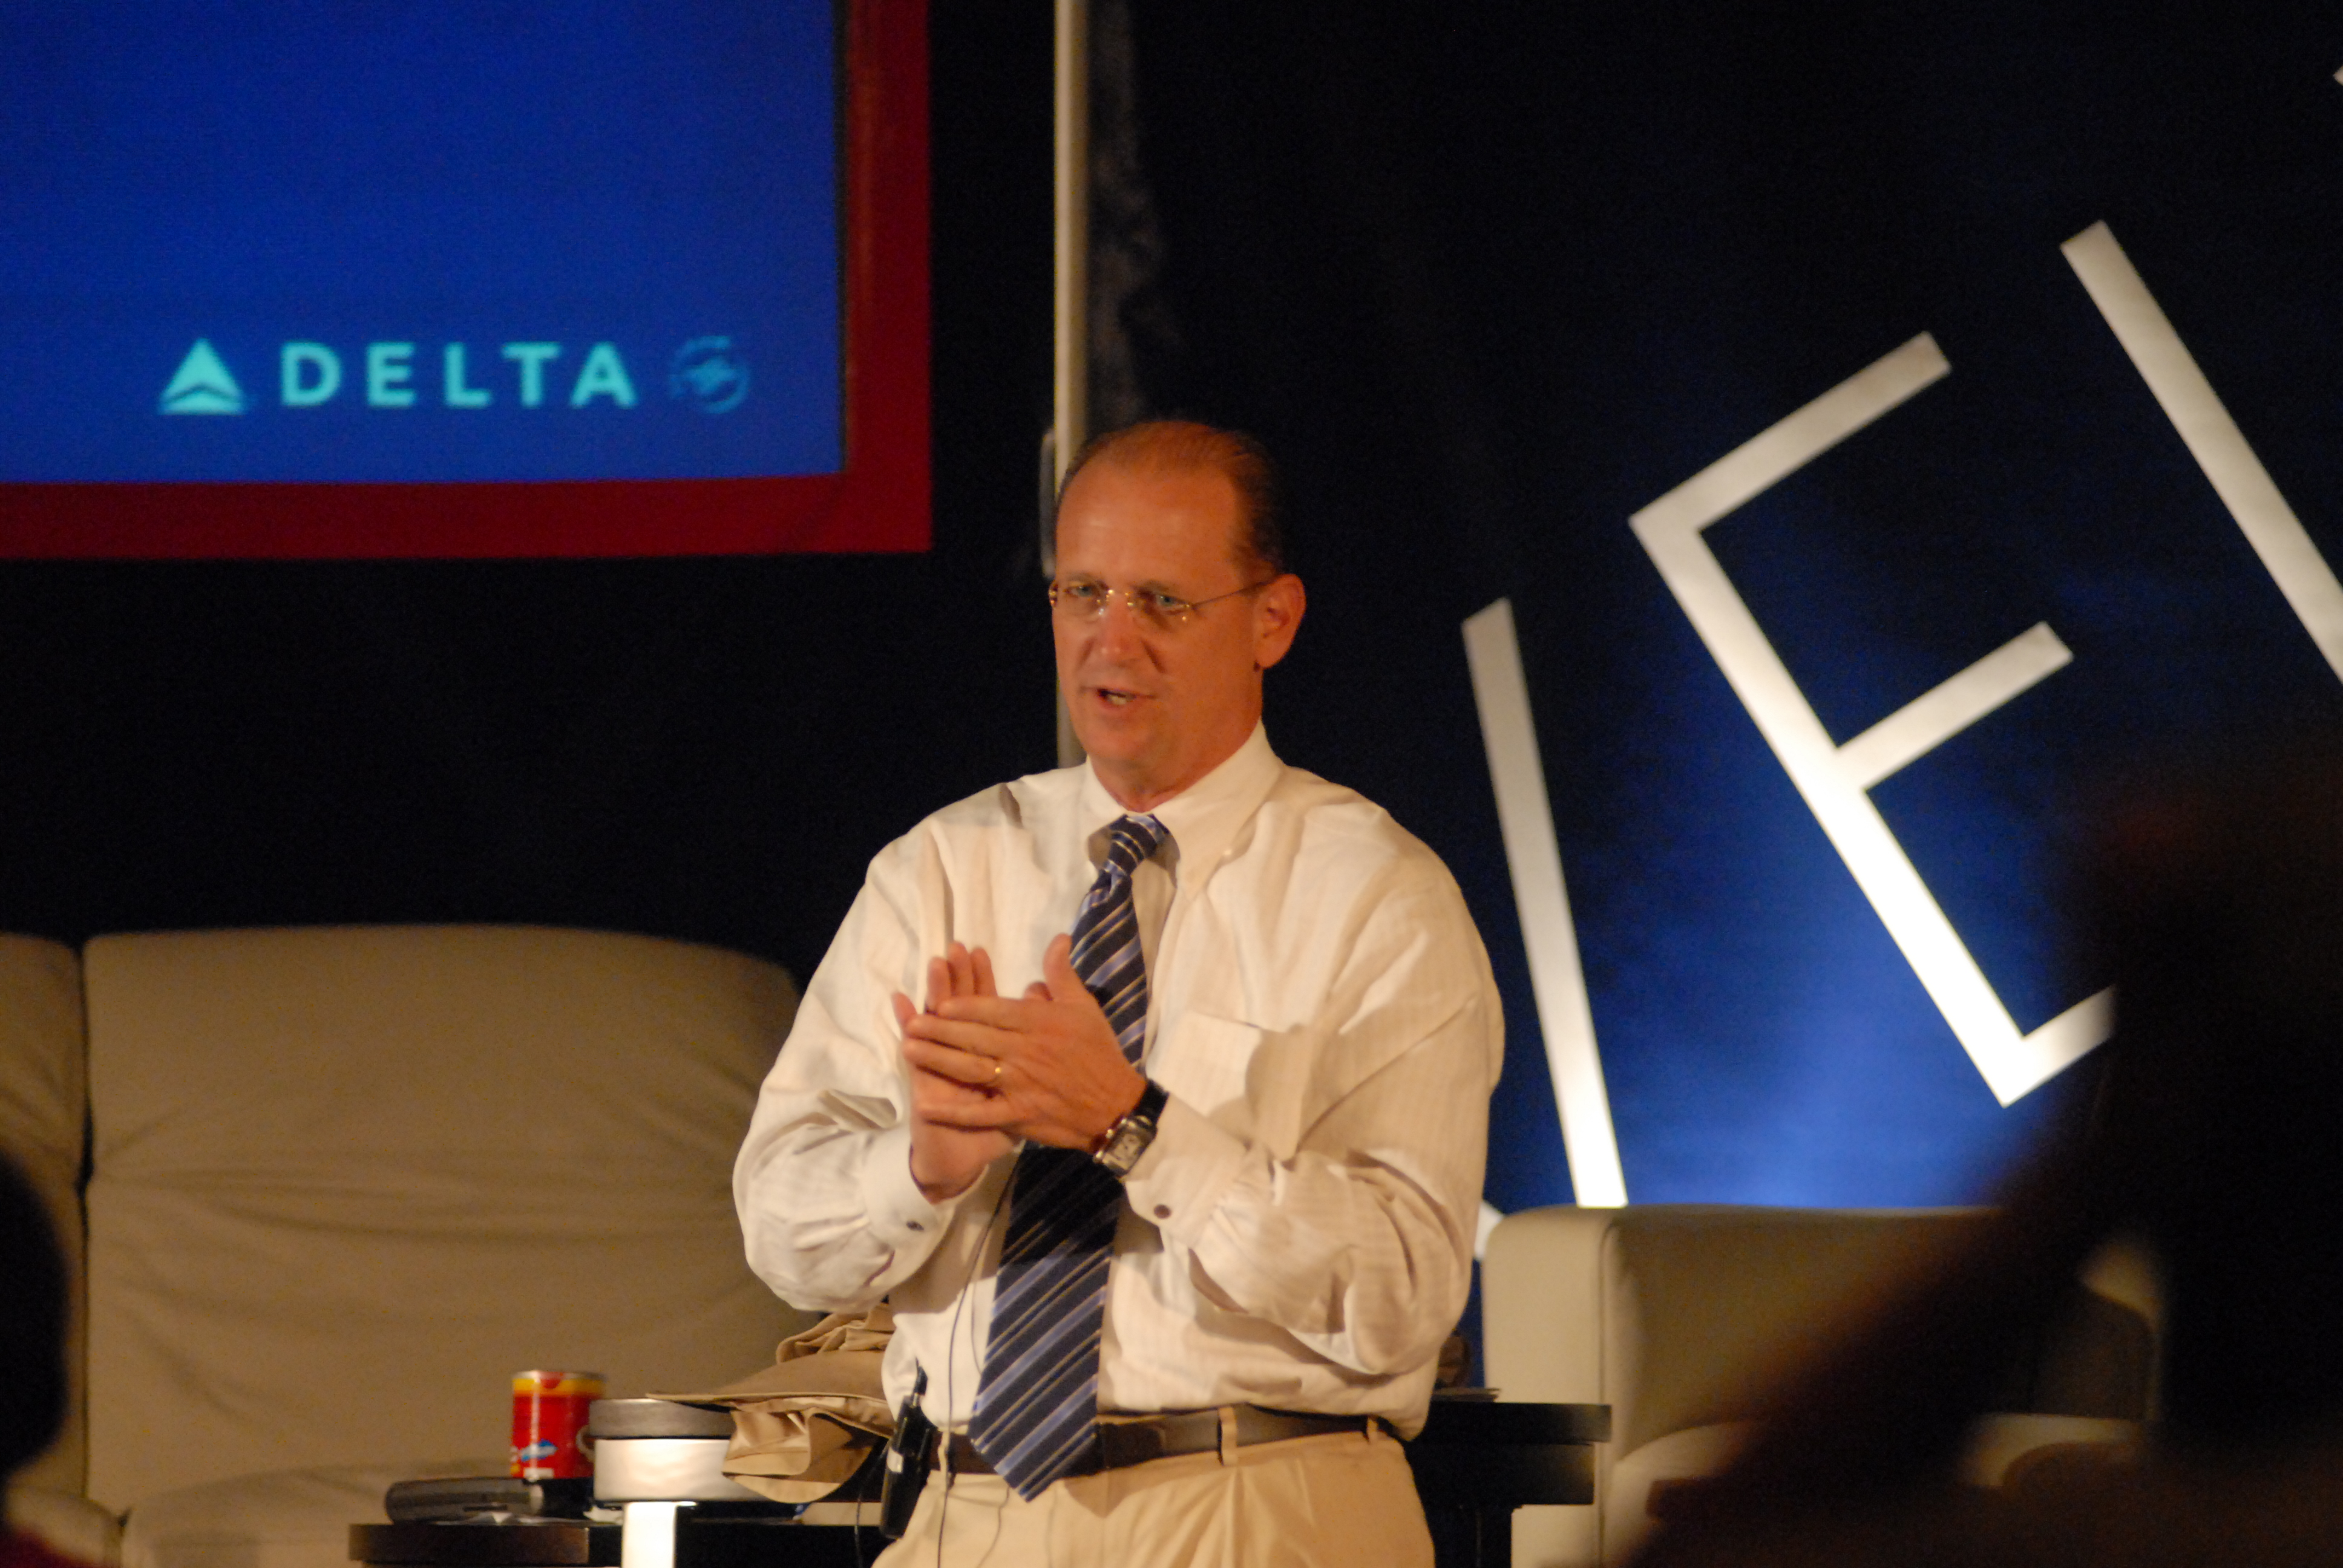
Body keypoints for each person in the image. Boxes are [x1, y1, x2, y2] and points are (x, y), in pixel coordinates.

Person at [734, 419, 1501, 1566]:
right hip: (964, 1516)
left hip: (1255, 1506)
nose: (1112, 639)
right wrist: (921, 1166)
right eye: (1083, 592)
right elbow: (780, 1233)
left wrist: (1133, 1127)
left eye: (1163, 603)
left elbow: (1402, 1294)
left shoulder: (1376, 895)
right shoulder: (944, 866)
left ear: (1273, 620)